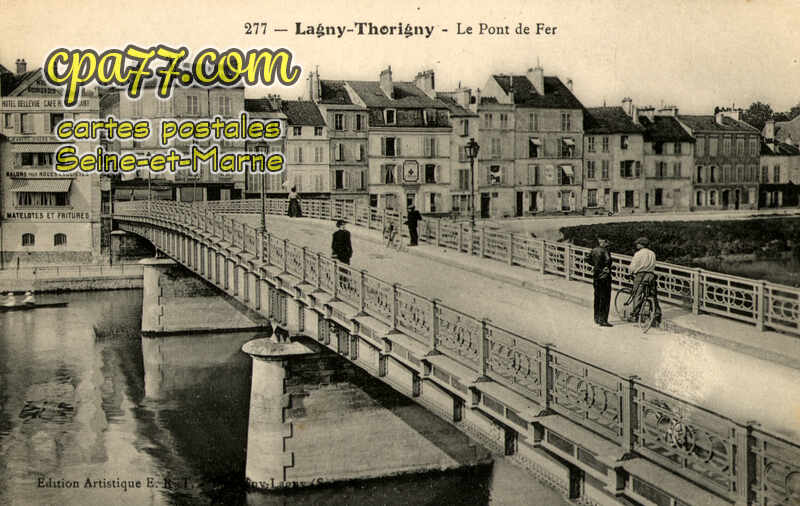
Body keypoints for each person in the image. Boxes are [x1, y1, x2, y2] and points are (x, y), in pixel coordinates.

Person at [628, 237, 662, 325]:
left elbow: (633, 265)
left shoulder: (638, 254)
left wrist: (630, 272)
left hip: (641, 275)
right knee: (652, 295)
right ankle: (656, 316)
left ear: (641, 244)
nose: (636, 245)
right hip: (651, 275)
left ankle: (635, 315)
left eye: (637, 244)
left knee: (637, 294)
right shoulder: (652, 253)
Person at [590, 237, 613, 327]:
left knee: (597, 296)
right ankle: (603, 320)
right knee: (605, 298)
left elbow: (587, 258)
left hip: (596, 274)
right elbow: (608, 261)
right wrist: (606, 267)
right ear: (604, 242)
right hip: (604, 276)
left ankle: (596, 318)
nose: (608, 244)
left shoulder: (594, 250)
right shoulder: (605, 251)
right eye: (607, 242)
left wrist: (595, 265)